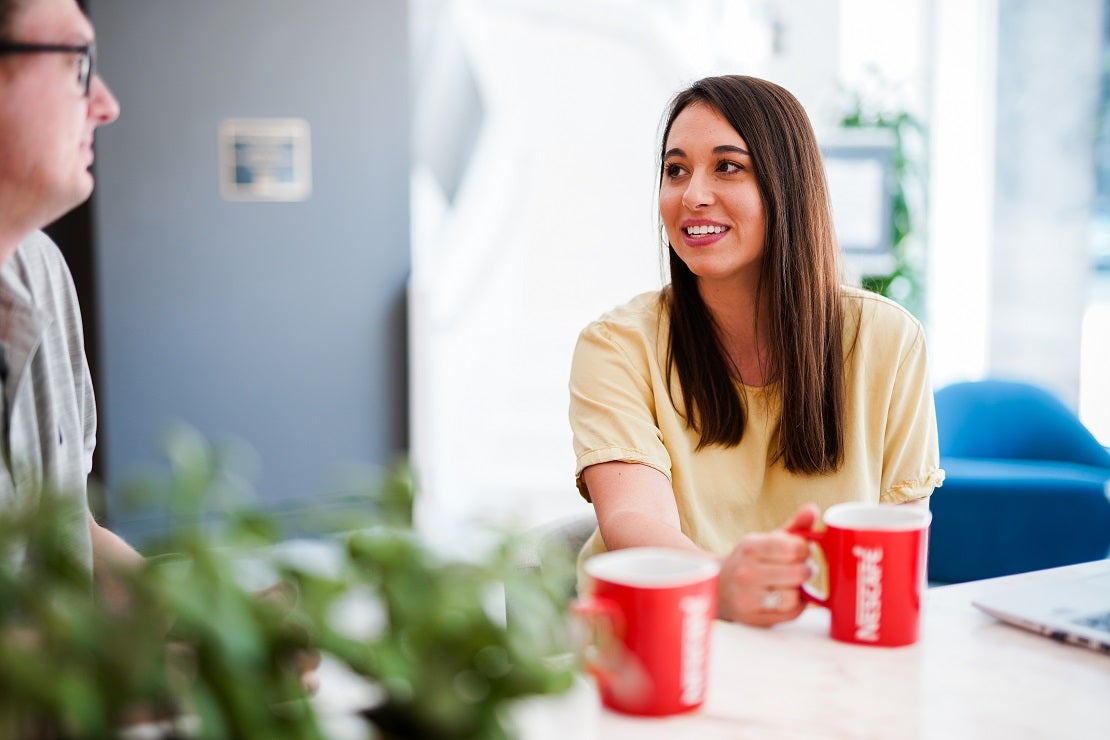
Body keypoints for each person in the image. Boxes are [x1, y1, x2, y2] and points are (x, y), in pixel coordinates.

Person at [569, 75, 944, 627]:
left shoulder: (887, 341)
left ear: (787, 186)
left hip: (821, 660)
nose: (692, 194)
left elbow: (894, 553)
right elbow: (631, 519)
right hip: (659, 638)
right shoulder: (617, 345)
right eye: (676, 169)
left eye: (727, 166)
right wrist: (722, 584)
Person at [0, 0, 143, 602]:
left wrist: (217, 632)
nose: (106, 105)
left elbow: (71, 529)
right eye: (78, 63)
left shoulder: (44, 272)